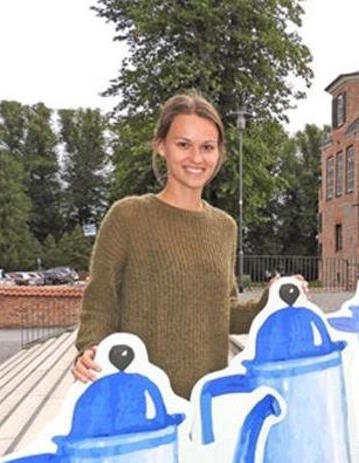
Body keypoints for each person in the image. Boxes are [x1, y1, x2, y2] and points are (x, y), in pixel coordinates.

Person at [71, 93, 269, 399]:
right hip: (138, 400)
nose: (196, 158)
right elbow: (100, 302)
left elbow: (223, 311)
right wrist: (90, 349)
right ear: (162, 146)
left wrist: (272, 302)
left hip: (206, 403)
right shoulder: (128, 216)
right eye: (183, 144)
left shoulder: (224, 227)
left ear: (219, 154)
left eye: (207, 147)